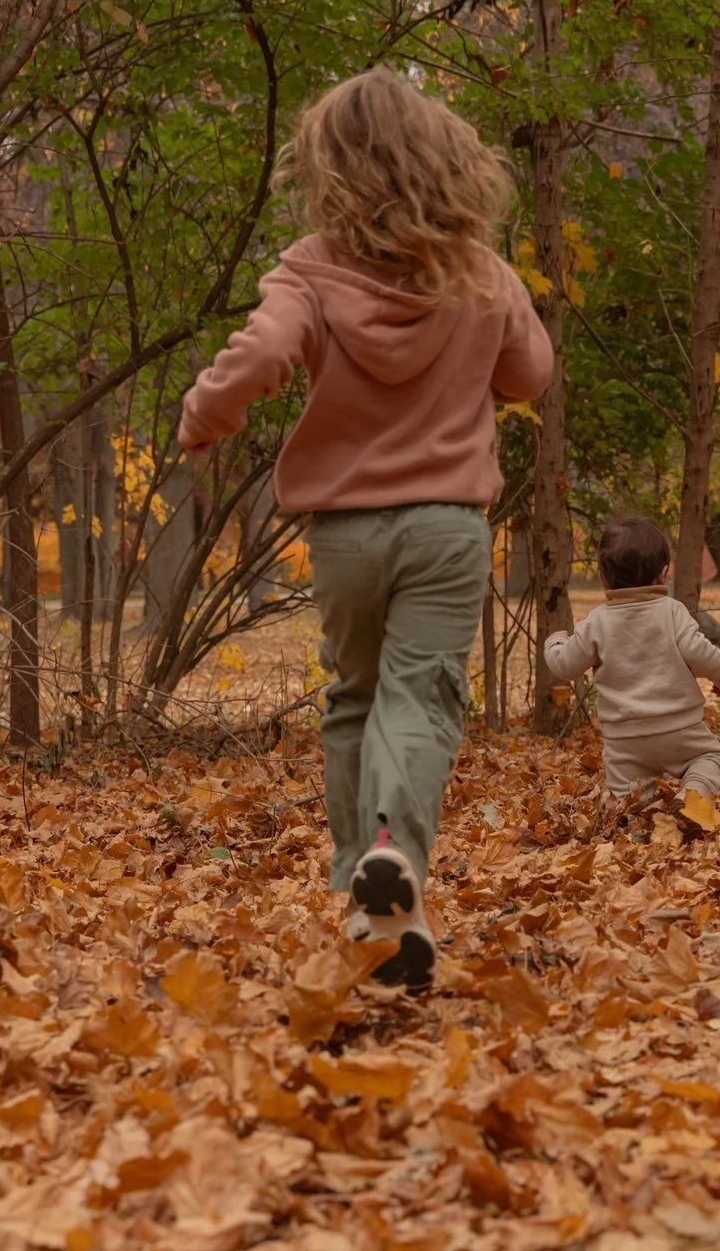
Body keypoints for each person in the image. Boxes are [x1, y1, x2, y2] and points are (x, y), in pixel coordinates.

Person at [177, 67, 553, 989]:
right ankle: (396, 862)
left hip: (344, 534)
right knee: (418, 698)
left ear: (331, 168)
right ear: (444, 160)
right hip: (448, 530)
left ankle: (364, 887)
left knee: (353, 697)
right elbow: (532, 374)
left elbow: (263, 352)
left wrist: (204, 414)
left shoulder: (310, 267)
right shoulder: (482, 273)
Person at [544, 514, 720, 819]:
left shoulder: (597, 621)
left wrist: (554, 642)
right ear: (663, 574)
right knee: (710, 759)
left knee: (625, 796)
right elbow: (701, 653)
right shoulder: (672, 612)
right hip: (680, 730)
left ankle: (626, 812)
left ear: (603, 578)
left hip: (625, 738)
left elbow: (565, 666)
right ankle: (692, 796)